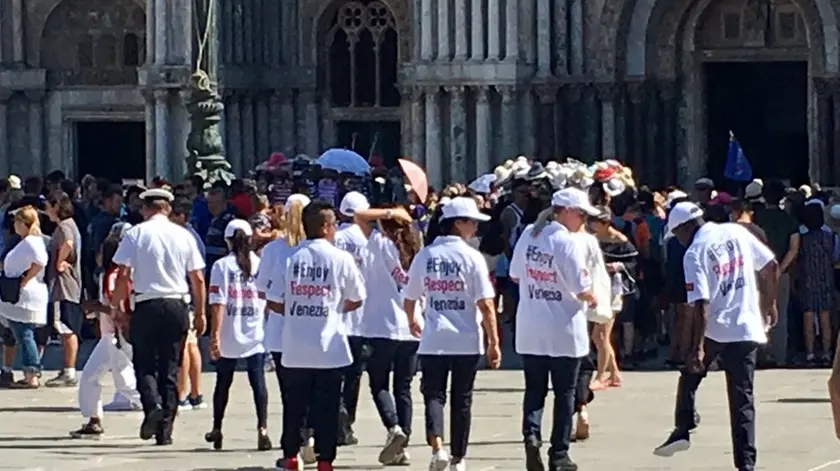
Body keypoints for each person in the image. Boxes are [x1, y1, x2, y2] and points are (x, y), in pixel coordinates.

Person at [654, 202, 779, 471]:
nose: (679, 240)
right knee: (742, 398)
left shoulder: (694, 252)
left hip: (715, 328)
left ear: (685, 228)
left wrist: (697, 348)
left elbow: (700, 304)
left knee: (690, 373)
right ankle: (746, 464)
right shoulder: (737, 232)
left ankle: (683, 427)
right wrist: (769, 304)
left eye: (677, 234)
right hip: (746, 325)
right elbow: (771, 265)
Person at [266, 200, 366, 471]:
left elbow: (273, 299)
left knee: (294, 405)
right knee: (327, 407)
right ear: (324, 227)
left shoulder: (290, 258)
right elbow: (357, 298)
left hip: (295, 344)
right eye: (333, 224)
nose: (335, 229)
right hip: (329, 347)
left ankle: (290, 455)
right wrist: (333, 308)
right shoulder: (340, 258)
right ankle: (324, 459)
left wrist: (297, 310)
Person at [403, 197, 501, 471]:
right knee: (462, 400)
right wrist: (494, 341)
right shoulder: (472, 257)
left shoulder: (427, 255)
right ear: (457, 223)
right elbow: (486, 303)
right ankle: (459, 457)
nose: (475, 228)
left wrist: (412, 320)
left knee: (434, 396)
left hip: (434, 338)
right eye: (471, 222)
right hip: (467, 339)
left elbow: (409, 297)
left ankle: (438, 448)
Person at [509, 188, 600, 471]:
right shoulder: (567, 242)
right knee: (565, 392)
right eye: (581, 214)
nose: (583, 220)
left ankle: (531, 435)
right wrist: (596, 298)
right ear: (566, 212)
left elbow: (514, 274)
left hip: (531, 325)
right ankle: (559, 453)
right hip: (564, 328)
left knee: (534, 390)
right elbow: (582, 287)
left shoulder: (529, 235)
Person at [110, 188, 206, 446]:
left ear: (146, 209)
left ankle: (152, 406)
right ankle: (166, 429)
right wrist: (201, 312)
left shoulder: (136, 233)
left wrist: (117, 307)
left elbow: (122, 274)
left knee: (144, 362)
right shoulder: (183, 235)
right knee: (171, 365)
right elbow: (197, 277)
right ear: (167, 209)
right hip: (176, 303)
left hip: (147, 304)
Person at [357, 203, 422, 465]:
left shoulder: (379, 243)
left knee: (379, 383)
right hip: (412, 326)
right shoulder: (415, 247)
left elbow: (359, 215)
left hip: (381, 325)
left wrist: (389, 213)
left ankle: (394, 427)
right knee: (404, 388)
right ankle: (402, 446)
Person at [204, 219, 272, 451]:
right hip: (256, 330)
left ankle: (217, 427)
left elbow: (217, 303)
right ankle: (263, 428)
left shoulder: (221, 266)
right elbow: (267, 299)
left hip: (229, 332)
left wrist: (214, 335)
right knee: (258, 383)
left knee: (223, 382)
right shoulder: (260, 263)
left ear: (228, 240)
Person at [255, 193, 312, 466]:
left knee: (290, 392)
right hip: (313, 328)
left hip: (280, 332)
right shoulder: (318, 249)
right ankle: (310, 437)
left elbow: (262, 289)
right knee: (315, 387)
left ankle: (293, 447)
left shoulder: (274, 250)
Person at [71, 224, 141, 439]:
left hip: (116, 336)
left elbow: (115, 307)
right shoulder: (116, 273)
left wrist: (93, 306)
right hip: (110, 336)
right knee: (91, 376)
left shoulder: (114, 275)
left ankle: (158, 406)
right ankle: (93, 420)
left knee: (126, 383)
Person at [587, 206, 638, 390]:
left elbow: (633, 262)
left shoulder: (621, 240)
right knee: (599, 335)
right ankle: (614, 374)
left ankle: (601, 376)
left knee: (600, 335)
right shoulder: (592, 239)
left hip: (614, 289)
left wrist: (617, 266)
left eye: (594, 221)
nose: (590, 225)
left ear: (605, 223)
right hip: (597, 286)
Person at [0, 206, 49, 388]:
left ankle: (31, 372)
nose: (14, 225)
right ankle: (31, 371)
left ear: (23, 223)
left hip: (25, 293)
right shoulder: (26, 241)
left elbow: (40, 262)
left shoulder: (31, 241)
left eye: (16, 221)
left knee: (24, 333)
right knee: (22, 333)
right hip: (19, 292)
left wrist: (25, 279)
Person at [44, 191, 84, 388]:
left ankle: (69, 370)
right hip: (67, 286)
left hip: (64, 286)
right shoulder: (69, 226)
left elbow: (67, 243)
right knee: (65, 327)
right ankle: (67, 368)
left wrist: (59, 262)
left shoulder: (64, 226)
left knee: (65, 327)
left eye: (49, 206)